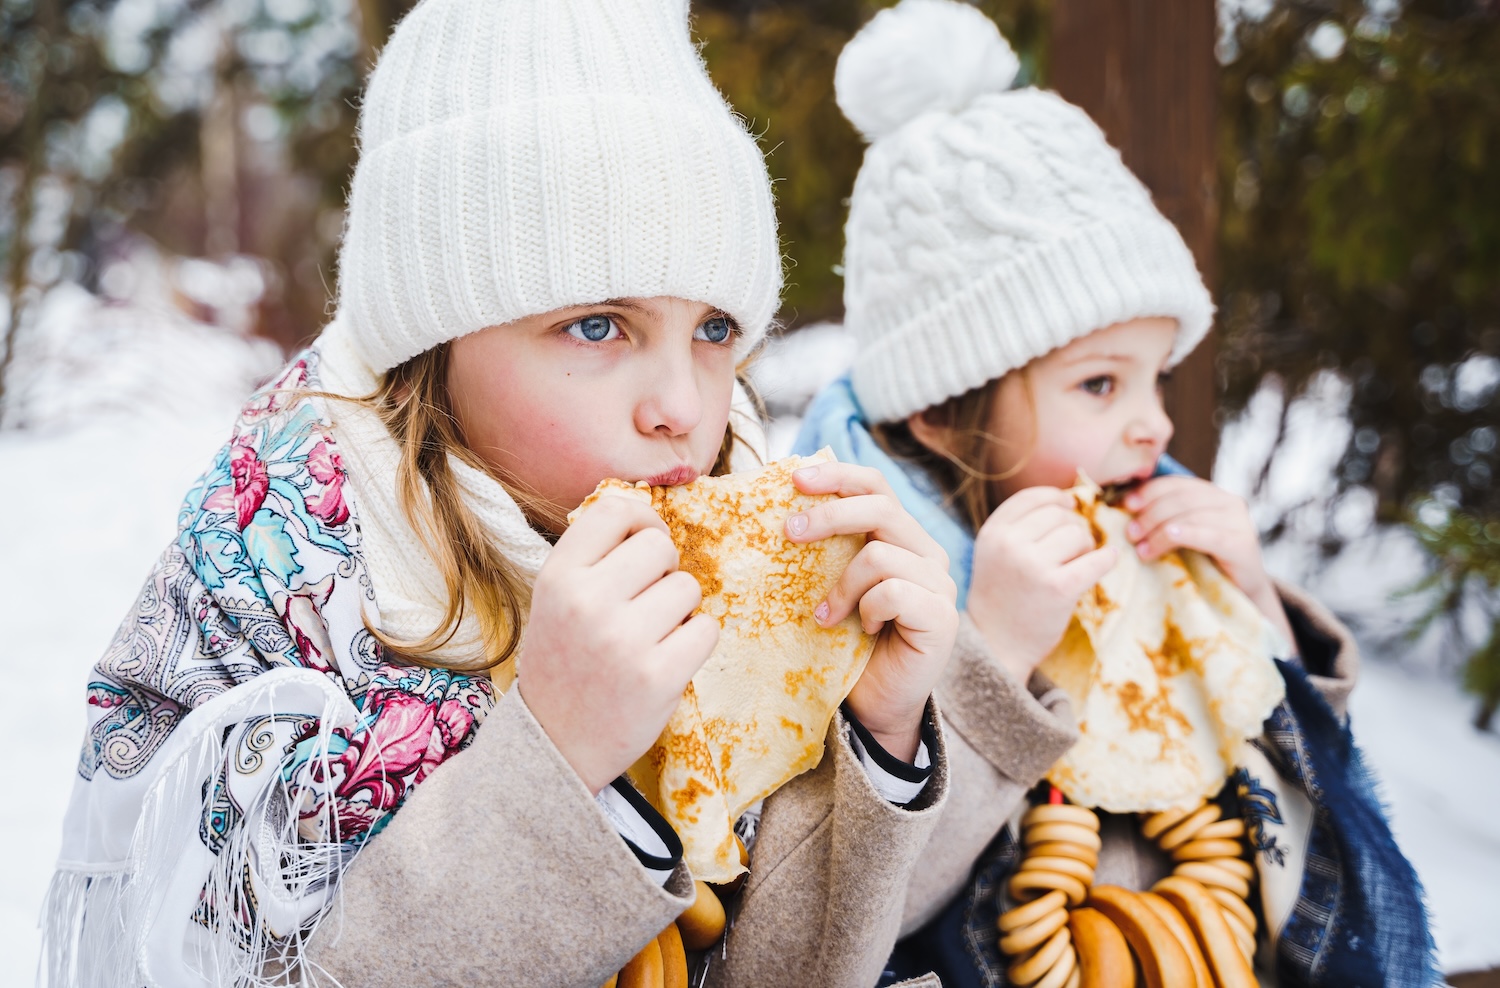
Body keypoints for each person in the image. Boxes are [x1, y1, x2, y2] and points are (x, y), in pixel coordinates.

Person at [43, 1, 961, 986]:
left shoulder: (750, 556)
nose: (684, 406)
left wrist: (877, 736)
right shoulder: (278, 588)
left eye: (714, 328)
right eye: (600, 326)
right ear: (435, 338)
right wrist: (556, 761)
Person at [795, 1, 1438, 985]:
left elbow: (1315, 811)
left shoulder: (1155, 540)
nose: (1156, 425)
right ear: (938, 412)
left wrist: (1254, 614)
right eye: (1101, 384)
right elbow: (855, 919)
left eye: (1156, 378)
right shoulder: (854, 587)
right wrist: (992, 654)